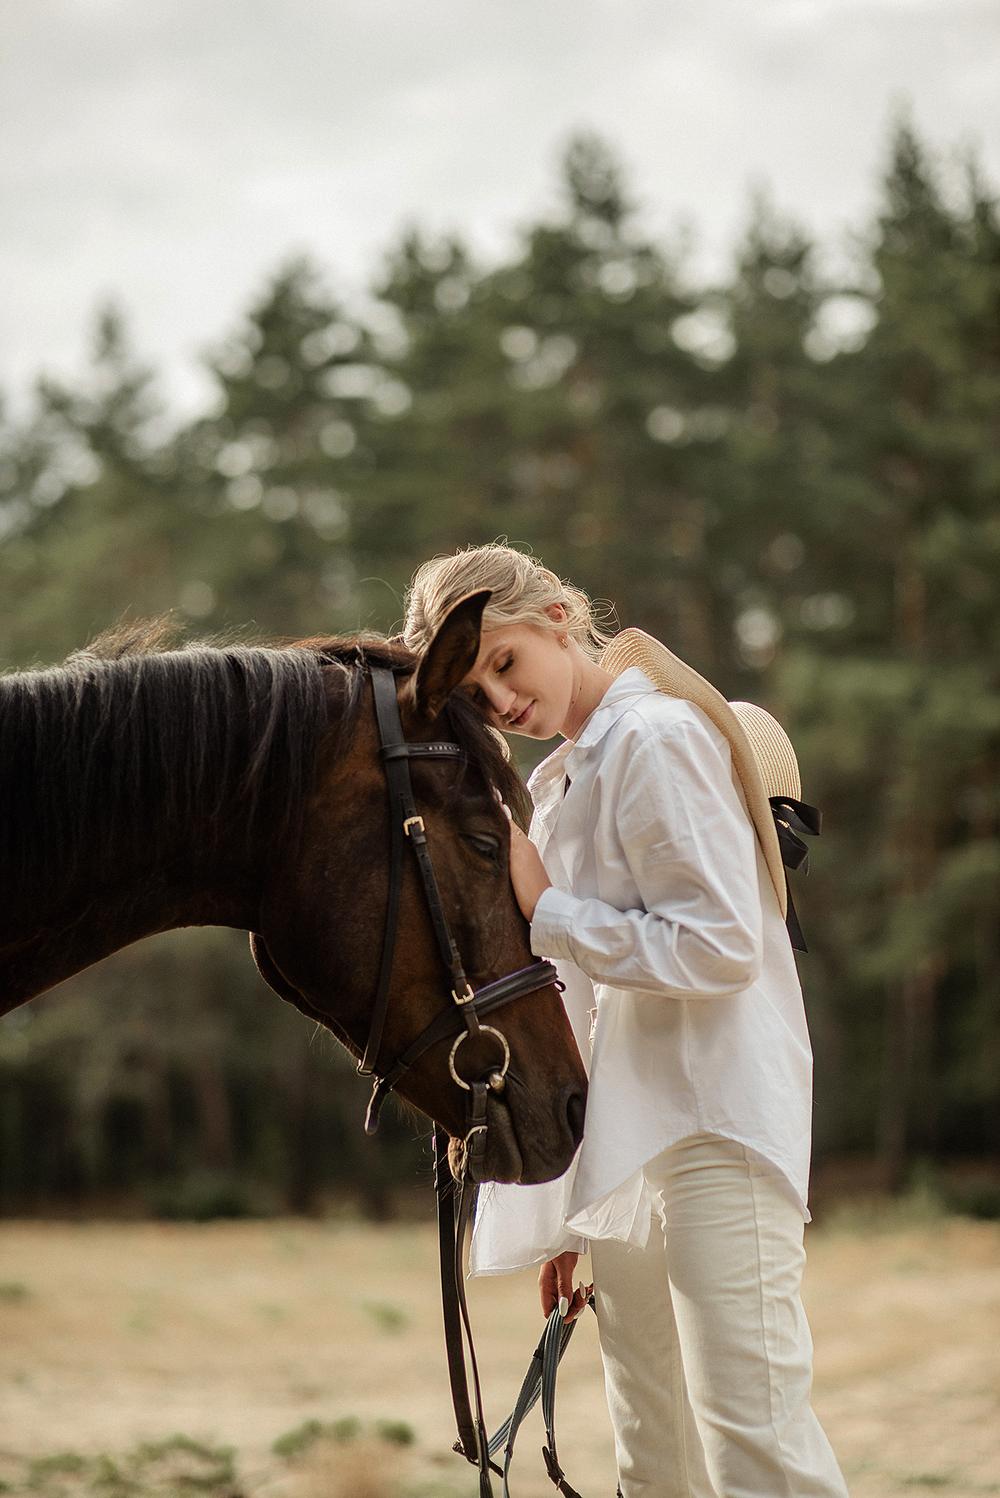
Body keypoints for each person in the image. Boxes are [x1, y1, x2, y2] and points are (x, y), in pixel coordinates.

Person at [402, 542, 849, 1498]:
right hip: (631, 1147)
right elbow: (592, 1002)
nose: (500, 702)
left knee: (754, 1438)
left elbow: (721, 946)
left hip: (714, 1127)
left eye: (504, 663)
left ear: (558, 615)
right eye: (476, 694)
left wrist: (545, 910)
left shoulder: (655, 738)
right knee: (655, 1447)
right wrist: (570, 1210)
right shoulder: (566, 779)